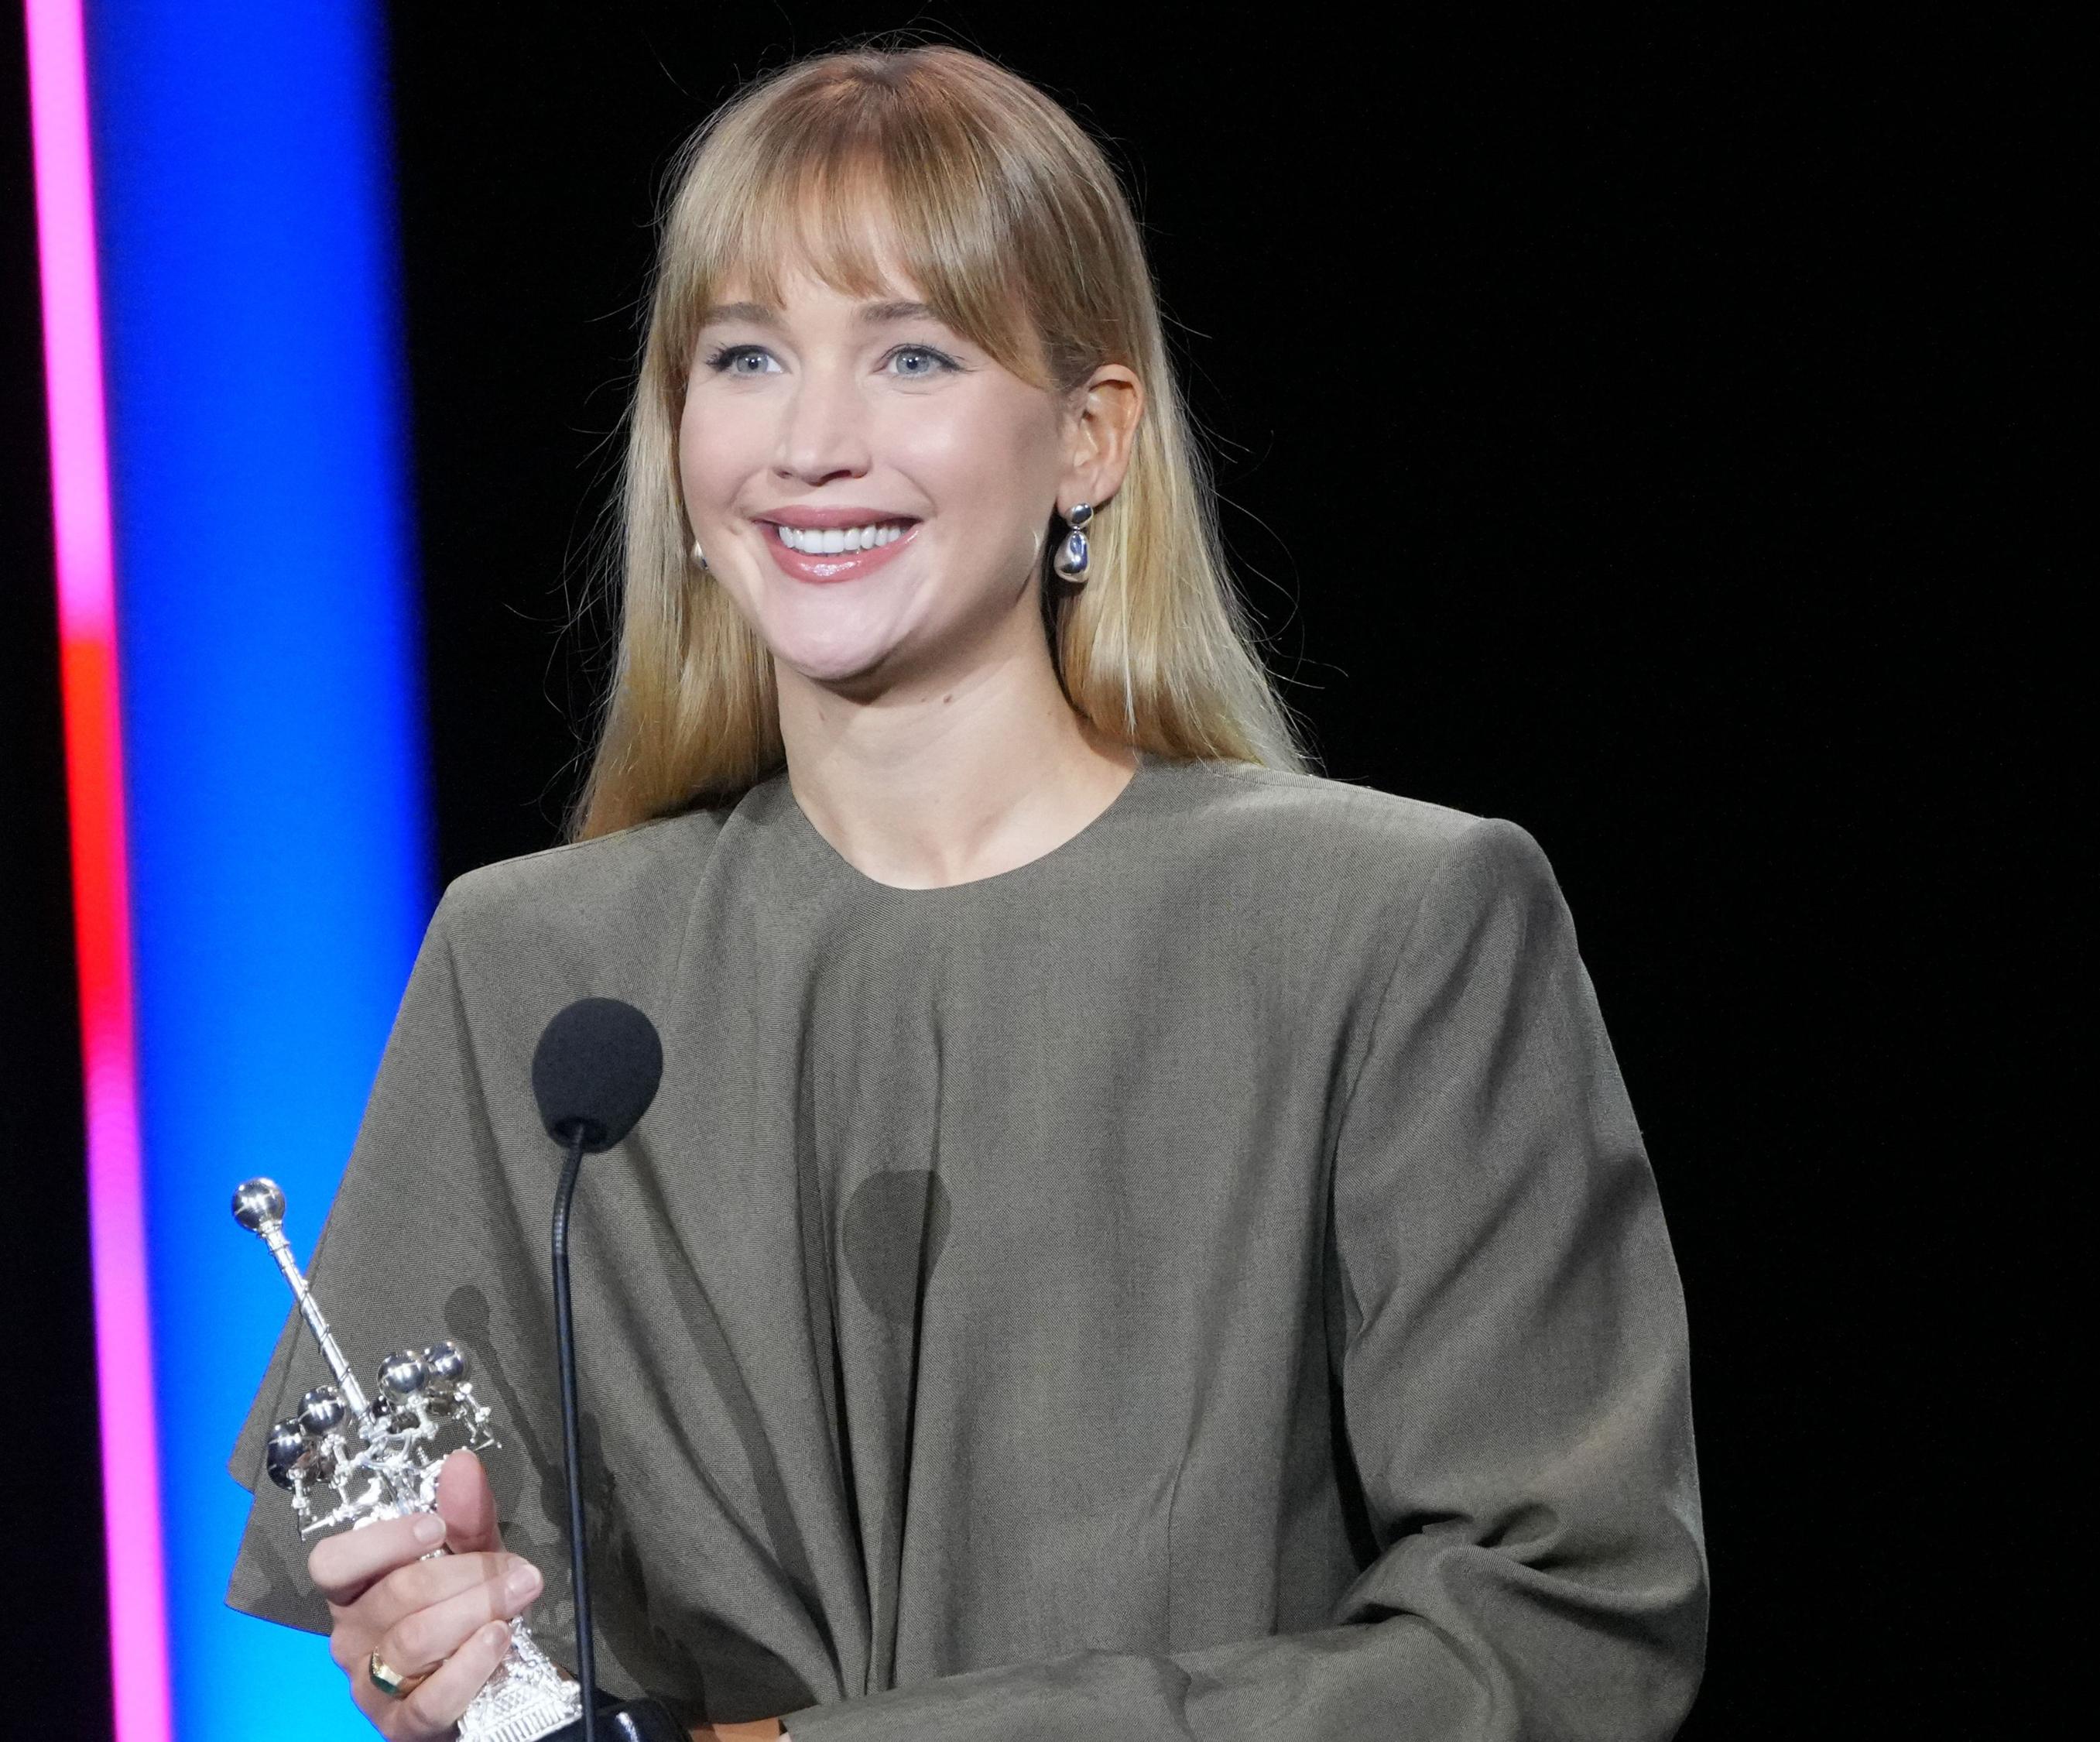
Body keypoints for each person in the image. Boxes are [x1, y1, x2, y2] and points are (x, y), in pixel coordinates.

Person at [226, 42, 1705, 1741]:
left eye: (912, 353)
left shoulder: (1389, 928)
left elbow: (1562, 1630)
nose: (811, 442)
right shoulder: (537, 975)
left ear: (1089, 438)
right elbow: (488, 1664)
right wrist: (440, 1661)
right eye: (747, 357)